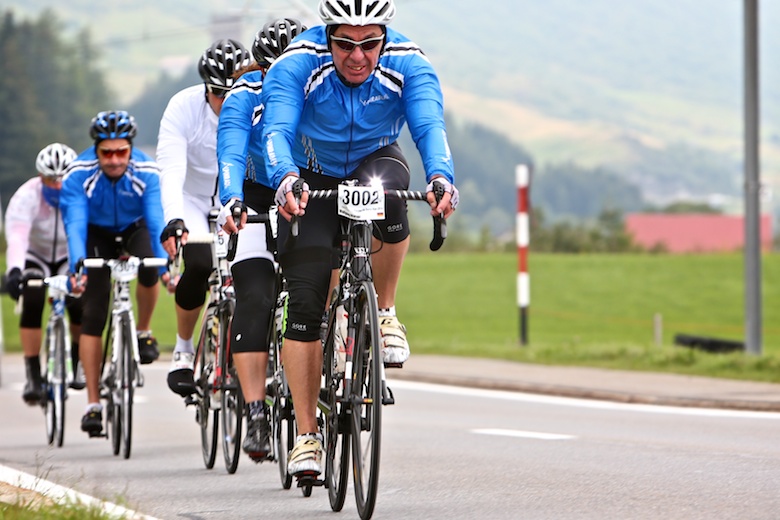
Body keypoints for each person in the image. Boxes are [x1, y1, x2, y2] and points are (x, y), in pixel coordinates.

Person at [261, 0, 459, 478]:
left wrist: (441, 178)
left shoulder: (410, 63)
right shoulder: (297, 63)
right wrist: (285, 178)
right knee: (306, 305)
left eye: (369, 43)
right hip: (311, 173)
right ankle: (308, 437)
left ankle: (385, 311)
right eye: (344, 43)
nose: (357, 56)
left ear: (384, 38)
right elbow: (277, 129)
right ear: (326, 36)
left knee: (391, 193)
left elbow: (430, 127)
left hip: (375, 159)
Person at [216, 18, 307, 462]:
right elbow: (231, 153)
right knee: (254, 296)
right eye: (273, 71)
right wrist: (231, 199)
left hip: (306, 190)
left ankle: (349, 357)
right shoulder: (242, 97)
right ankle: (254, 410)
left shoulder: (321, 91)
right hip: (253, 195)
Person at [61, 110, 169, 437]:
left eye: (121, 152)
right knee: (94, 313)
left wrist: (165, 267)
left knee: (149, 267)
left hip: (134, 228)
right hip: (96, 234)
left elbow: (155, 221)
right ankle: (93, 403)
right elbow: (75, 224)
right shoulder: (78, 174)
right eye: (106, 152)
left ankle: (143, 330)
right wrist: (77, 265)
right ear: (96, 150)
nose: (113, 160)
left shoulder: (146, 171)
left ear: (131, 148)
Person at [157, 38, 251, 400]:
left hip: (237, 199)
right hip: (192, 199)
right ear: (206, 88)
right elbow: (171, 169)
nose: (226, 102)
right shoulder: (183, 107)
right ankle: (183, 349)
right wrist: (174, 220)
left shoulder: (257, 104)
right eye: (218, 93)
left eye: (235, 92)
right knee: (197, 262)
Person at [3, 143, 84, 405]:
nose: (59, 186)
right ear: (41, 177)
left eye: (64, 179)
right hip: (34, 256)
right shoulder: (26, 196)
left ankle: (76, 358)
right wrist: (14, 270)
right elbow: (17, 237)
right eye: (52, 180)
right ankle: (33, 374)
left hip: (67, 255)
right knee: (34, 295)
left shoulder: (83, 192)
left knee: (80, 299)